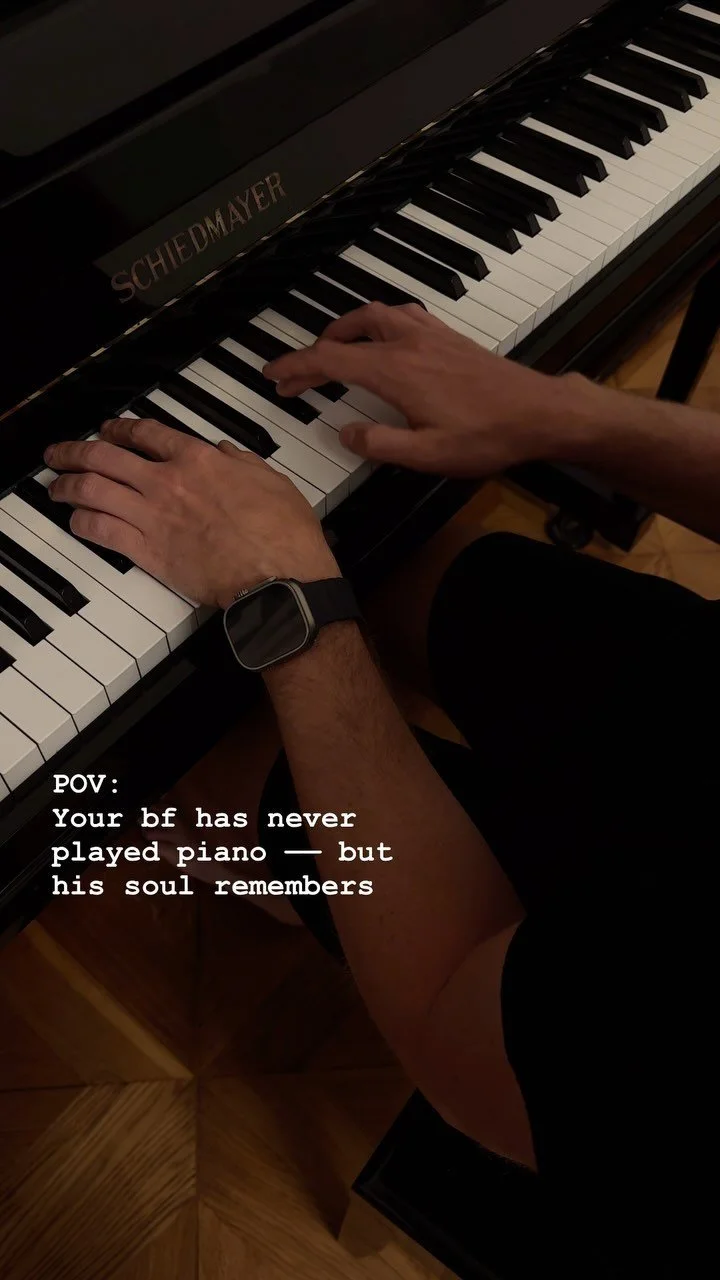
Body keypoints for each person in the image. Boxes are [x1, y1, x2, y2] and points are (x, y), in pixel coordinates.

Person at [44, 302, 717, 1275]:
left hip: (595, 1018)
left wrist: (287, 601)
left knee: (192, 762)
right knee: (387, 548)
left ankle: (263, 868)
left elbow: (455, 1022)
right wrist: (567, 413)